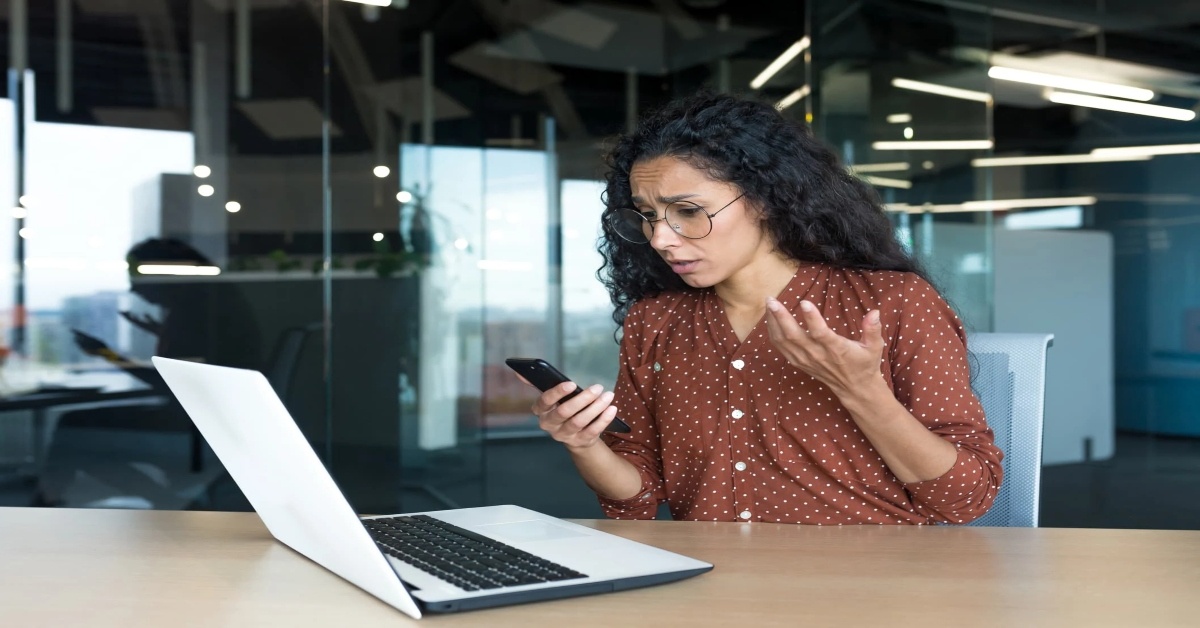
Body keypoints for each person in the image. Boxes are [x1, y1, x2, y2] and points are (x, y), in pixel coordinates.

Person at [527, 91, 1002, 525]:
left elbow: (966, 498)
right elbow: (638, 498)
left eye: (688, 211)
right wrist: (584, 443)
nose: (660, 239)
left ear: (765, 199)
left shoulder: (892, 302)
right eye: (648, 216)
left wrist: (861, 391)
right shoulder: (655, 321)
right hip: (717, 577)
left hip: (871, 575)